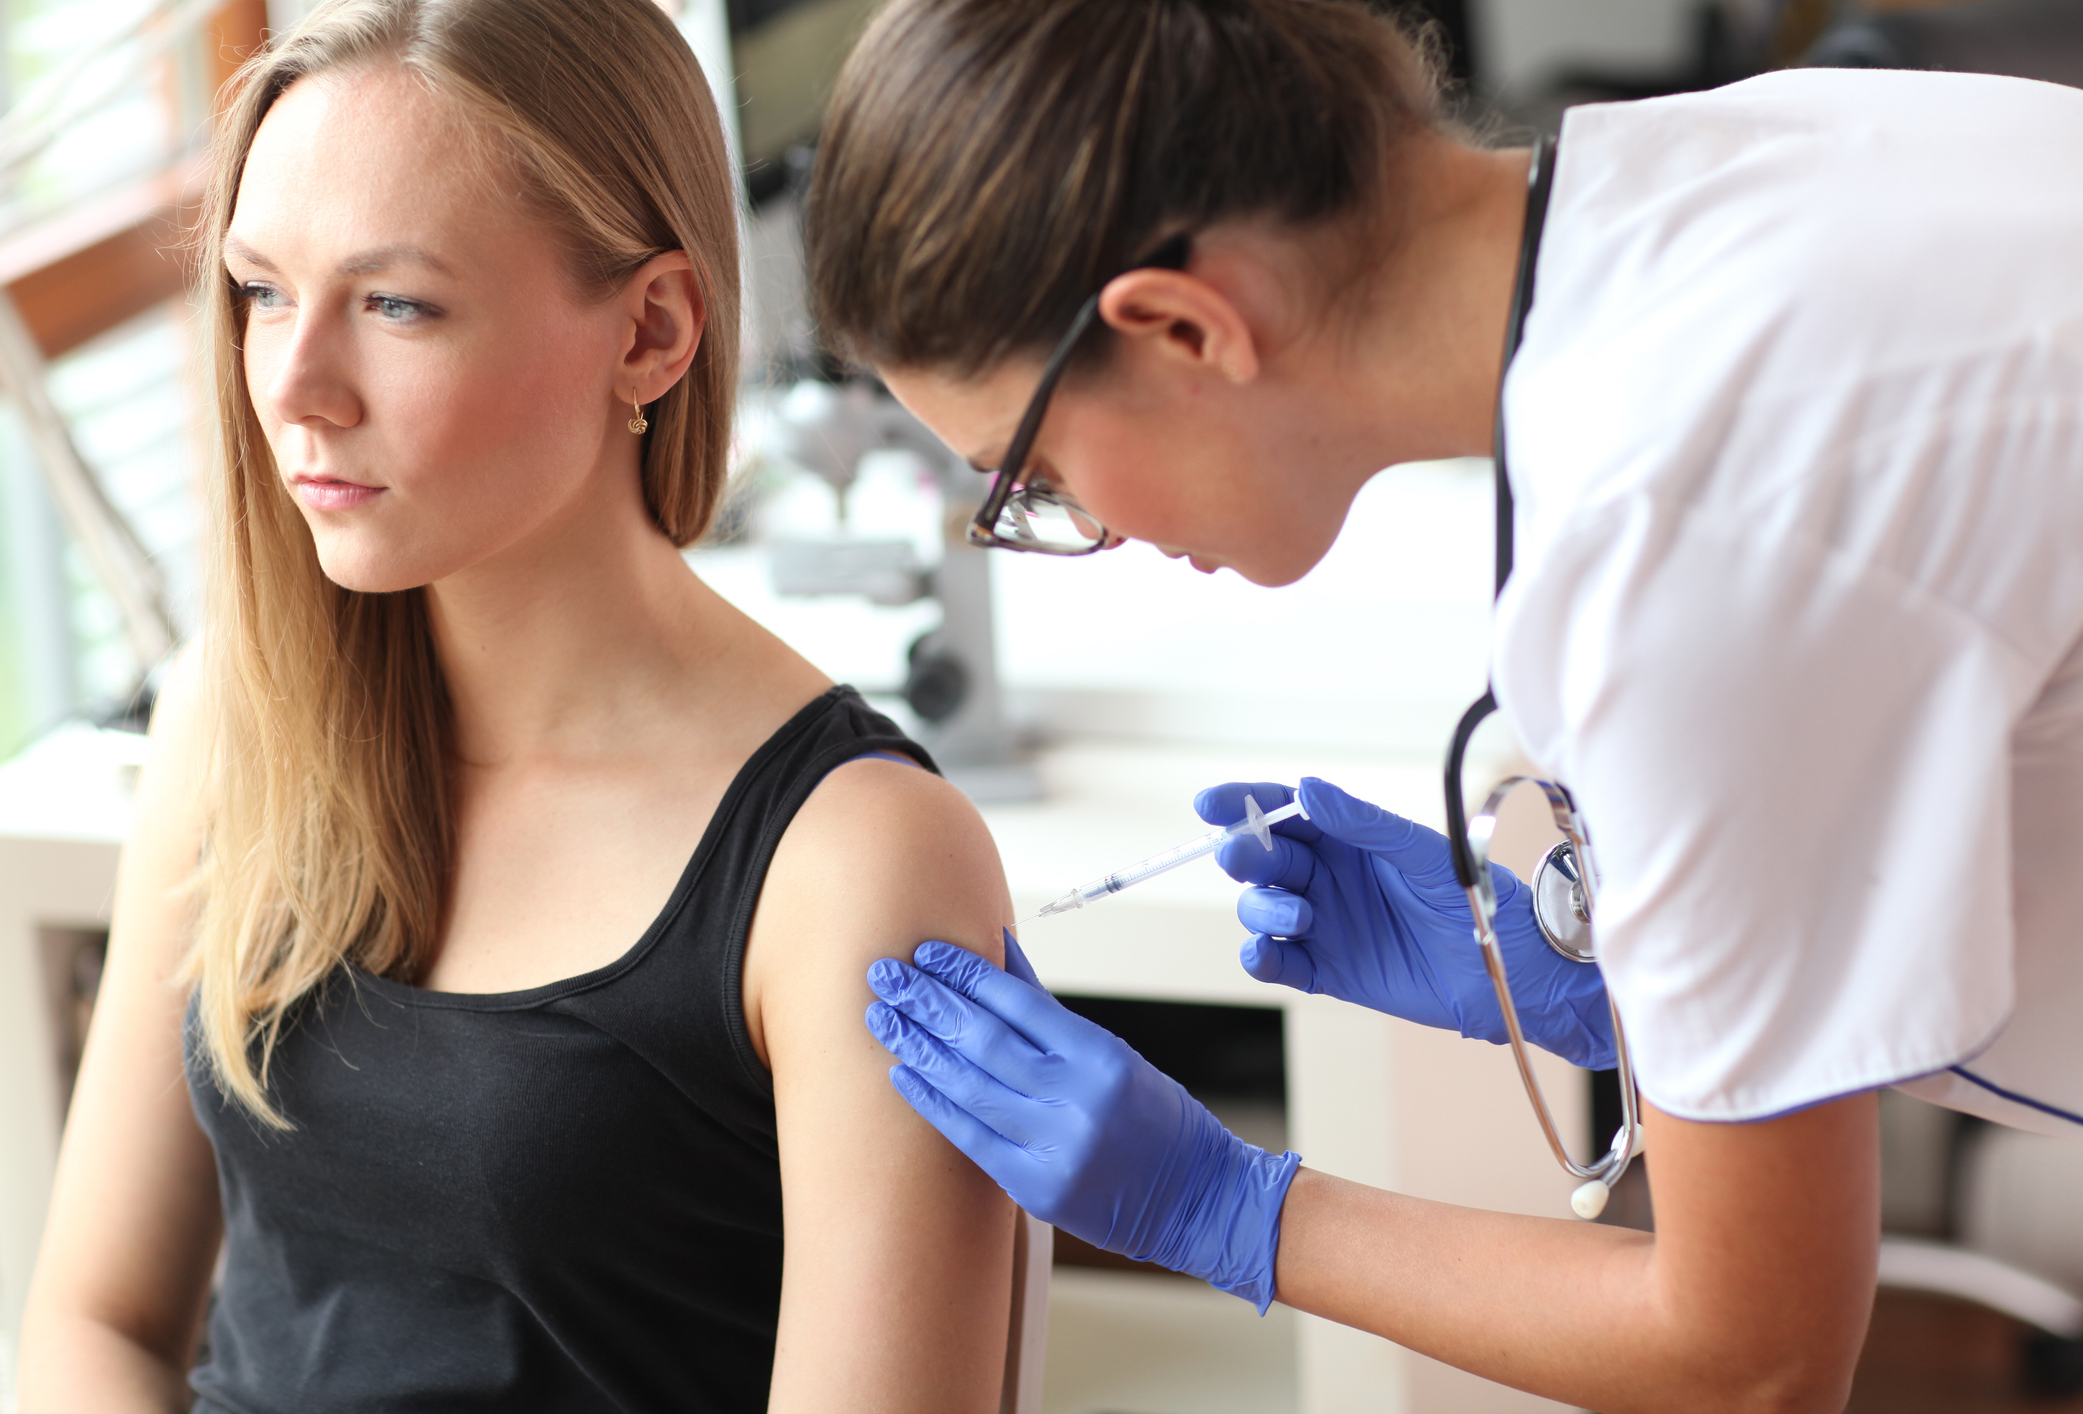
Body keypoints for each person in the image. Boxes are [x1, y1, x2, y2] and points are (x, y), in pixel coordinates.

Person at [805, 0, 2083, 1410]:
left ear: (1180, 326)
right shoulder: (1766, 149)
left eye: (1026, 479)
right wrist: (1627, 979)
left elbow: (1754, 1359)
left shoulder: (1677, 552)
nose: (1072, 523)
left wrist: (1221, 1205)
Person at [15, 2, 1021, 1410]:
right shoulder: (236, 721)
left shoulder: (853, 863)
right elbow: (96, 1323)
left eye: (396, 303)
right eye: (259, 290)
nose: (295, 387)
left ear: (652, 330)